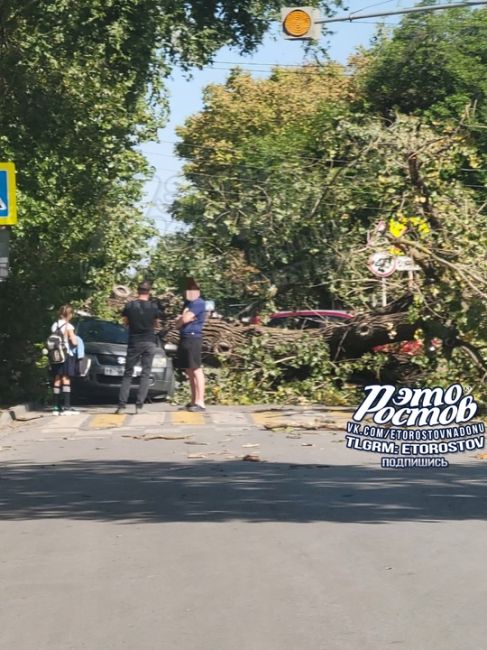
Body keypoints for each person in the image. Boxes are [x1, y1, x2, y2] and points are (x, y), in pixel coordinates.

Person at [116, 280, 162, 414]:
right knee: (145, 373)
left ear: (137, 291)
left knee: (128, 373)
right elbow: (156, 324)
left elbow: (125, 323)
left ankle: (121, 405)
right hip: (149, 342)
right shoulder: (153, 307)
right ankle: (139, 405)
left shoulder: (130, 306)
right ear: (149, 292)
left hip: (134, 342)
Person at [175, 278, 207, 412]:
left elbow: (185, 319)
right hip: (184, 337)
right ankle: (193, 400)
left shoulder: (199, 303)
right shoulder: (187, 304)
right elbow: (178, 323)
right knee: (189, 370)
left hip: (194, 338)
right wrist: (183, 318)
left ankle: (201, 401)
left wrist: (184, 318)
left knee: (196, 369)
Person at [50, 305, 78, 415]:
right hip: (66, 354)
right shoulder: (69, 326)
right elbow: (74, 342)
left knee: (57, 378)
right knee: (66, 378)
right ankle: (67, 407)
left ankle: (56, 407)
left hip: (55, 355)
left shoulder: (54, 325)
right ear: (69, 315)